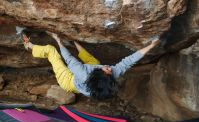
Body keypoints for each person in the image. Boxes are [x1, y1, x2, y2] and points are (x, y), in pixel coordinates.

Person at [22, 33, 160, 100]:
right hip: (84, 83)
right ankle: (74, 41)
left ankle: (29, 46)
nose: (110, 68)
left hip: (68, 81)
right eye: (109, 71)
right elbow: (129, 61)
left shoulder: (83, 73)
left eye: (106, 70)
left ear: (97, 74)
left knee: (52, 50)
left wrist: (58, 40)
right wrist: (152, 45)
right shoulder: (112, 75)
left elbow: (68, 59)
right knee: (93, 61)